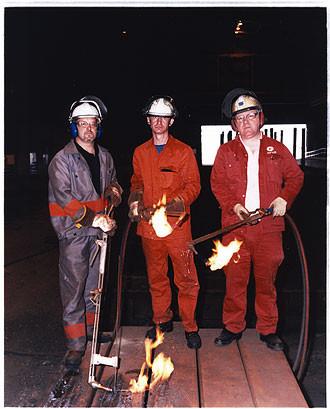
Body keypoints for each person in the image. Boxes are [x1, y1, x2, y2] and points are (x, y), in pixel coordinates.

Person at [210, 88, 304, 351]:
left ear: (261, 118)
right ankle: (232, 327)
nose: (246, 122)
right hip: (235, 227)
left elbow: (296, 177)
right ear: (233, 124)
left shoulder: (277, 149)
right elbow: (217, 184)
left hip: (269, 229)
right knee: (235, 280)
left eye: (251, 116)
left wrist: (284, 198)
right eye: (240, 118)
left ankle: (268, 329)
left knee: (266, 282)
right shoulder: (225, 151)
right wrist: (235, 206)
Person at [48, 96, 123, 370]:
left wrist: (114, 194)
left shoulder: (104, 157)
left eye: (93, 124)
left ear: (98, 127)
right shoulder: (61, 161)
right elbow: (67, 202)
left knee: (94, 290)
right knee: (73, 291)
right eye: (83, 124)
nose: (88, 129)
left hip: (98, 236)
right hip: (74, 235)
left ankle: (90, 336)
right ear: (74, 127)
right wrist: (96, 220)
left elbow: (113, 182)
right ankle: (75, 346)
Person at [128, 95, 202, 349]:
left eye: (164, 117)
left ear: (171, 121)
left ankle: (190, 326)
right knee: (156, 277)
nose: (159, 121)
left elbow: (194, 186)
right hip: (149, 229)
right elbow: (137, 181)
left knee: (186, 278)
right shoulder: (140, 152)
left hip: (177, 228)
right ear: (148, 121)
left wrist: (170, 206)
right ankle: (162, 320)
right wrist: (135, 200)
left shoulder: (183, 152)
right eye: (154, 117)